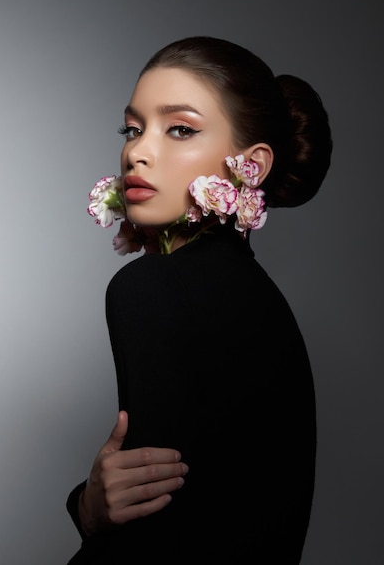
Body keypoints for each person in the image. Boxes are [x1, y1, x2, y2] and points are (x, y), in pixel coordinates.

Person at [66, 36, 333, 564]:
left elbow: (149, 537)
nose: (137, 151)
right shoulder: (263, 303)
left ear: (250, 166)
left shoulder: (152, 287)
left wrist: (88, 510)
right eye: (133, 128)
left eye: (181, 129)